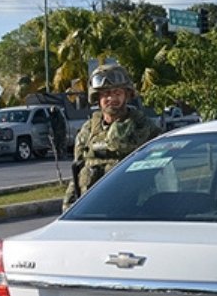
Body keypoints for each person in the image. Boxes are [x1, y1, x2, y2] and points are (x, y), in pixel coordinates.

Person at [63, 64, 161, 210]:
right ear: (97, 97)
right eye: (106, 93)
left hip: (136, 213)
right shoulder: (88, 131)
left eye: (117, 93)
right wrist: (69, 208)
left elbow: (164, 174)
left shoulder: (145, 129)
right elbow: (77, 172)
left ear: (127, 94)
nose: (111, 98)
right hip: (96, 213)